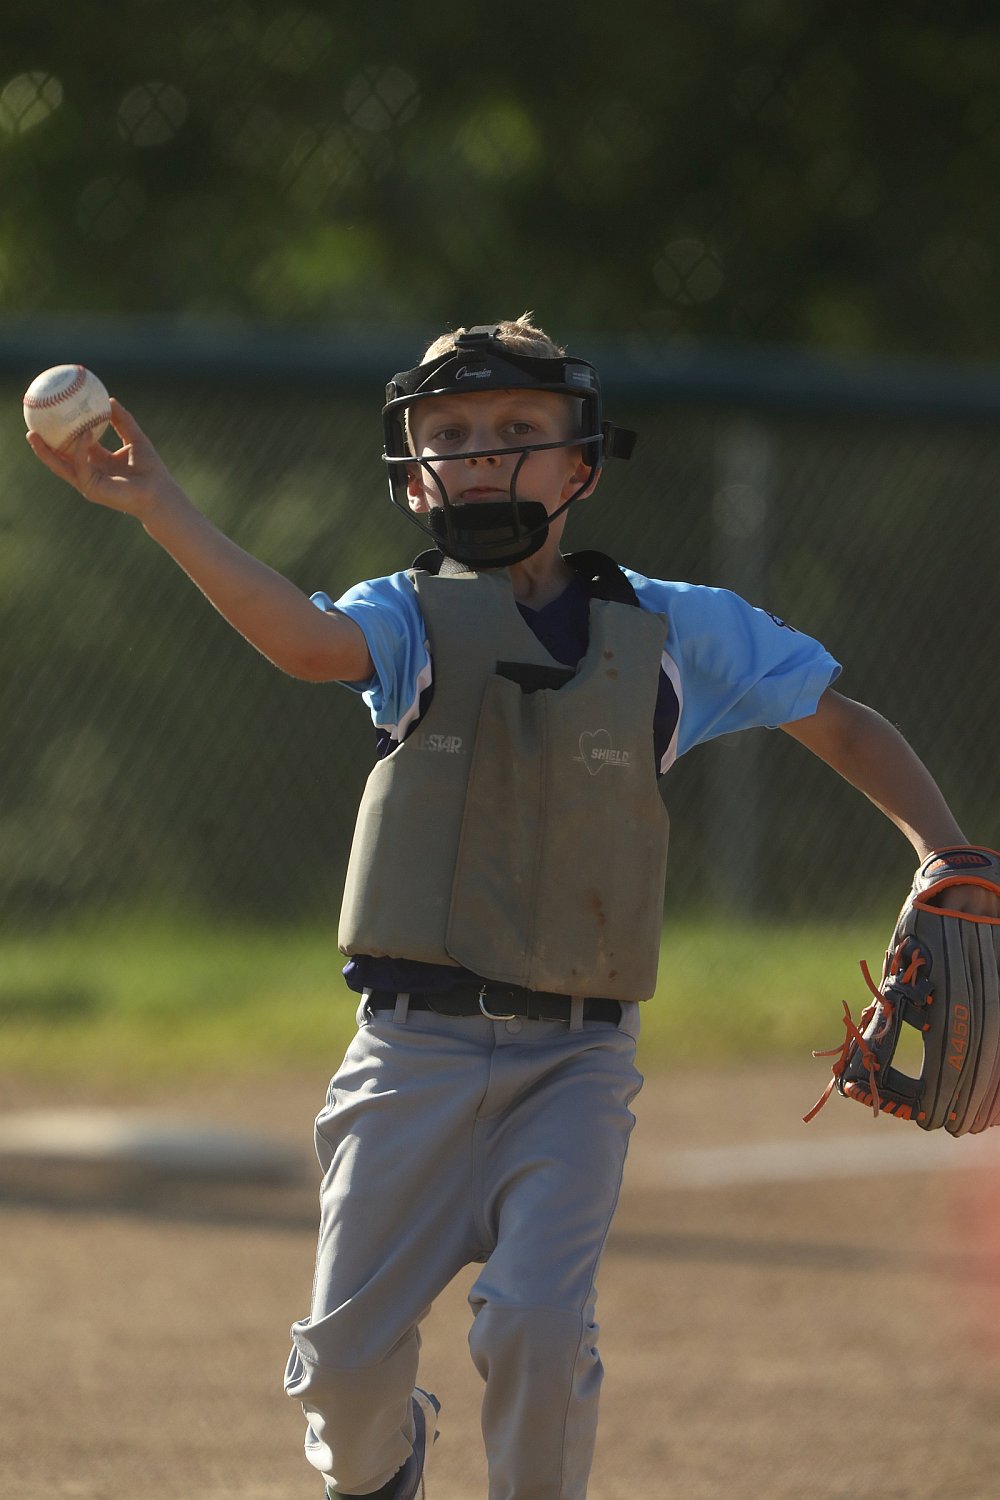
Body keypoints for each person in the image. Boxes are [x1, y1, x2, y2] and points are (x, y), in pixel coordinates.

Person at [27, 315, 995, 1500]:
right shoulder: (405, 614)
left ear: (581, 462)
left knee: (536, 1322)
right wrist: (159, 503)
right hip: (407, 1056)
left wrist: (944, 852)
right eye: (448, 434)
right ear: (411, 473)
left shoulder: (673, 627)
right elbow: (303, 642)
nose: (479, 453)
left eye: (516, 428)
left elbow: (838, 720)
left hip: (576, 1061)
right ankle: (382, 1470)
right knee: (342, 1370)